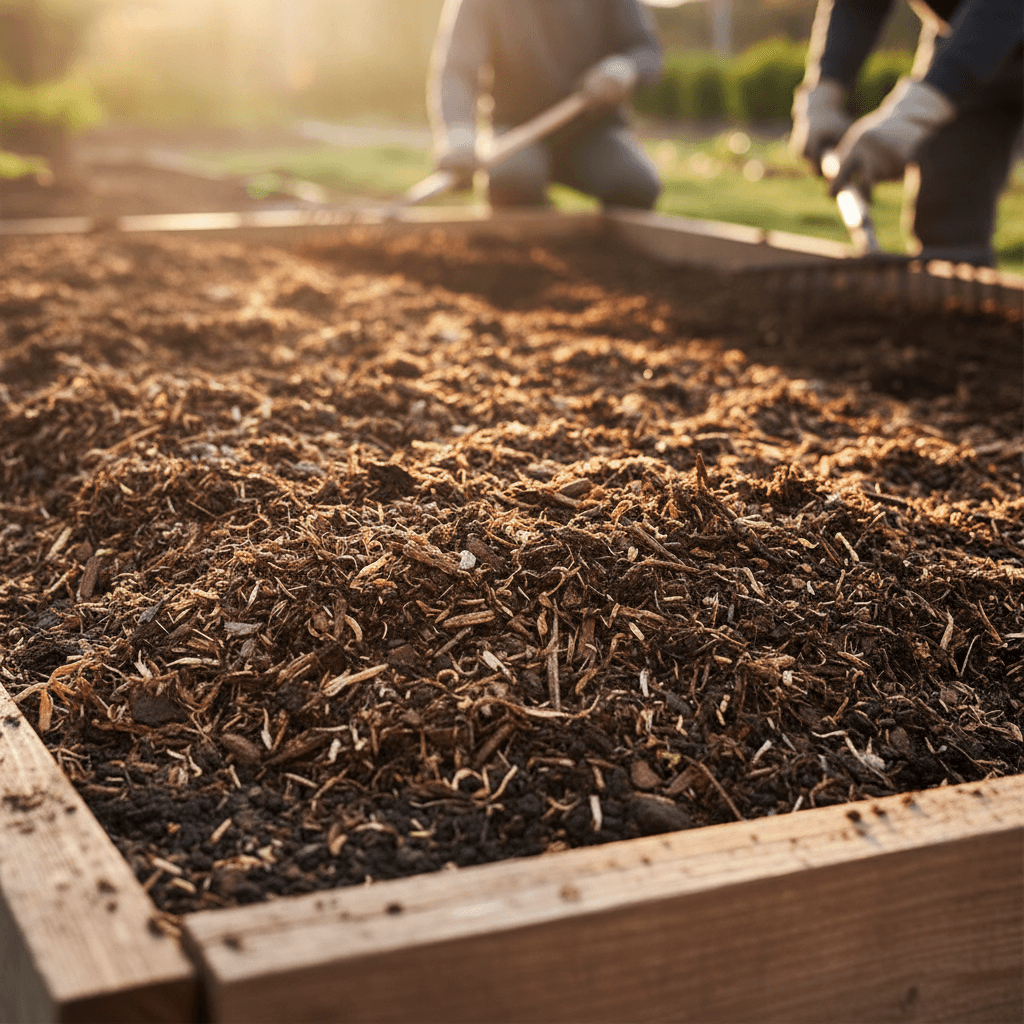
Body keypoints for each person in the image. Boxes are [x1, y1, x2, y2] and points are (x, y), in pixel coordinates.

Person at [791, 0, 1023, 265]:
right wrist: (825, 90)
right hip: (966, 40)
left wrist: (913, 115)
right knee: (948, 234)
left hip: (985, 28)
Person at [428, 0, 664, 210]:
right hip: (517, 131)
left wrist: (625, 67)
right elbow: (458, 70)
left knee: (635, 186)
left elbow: (646, 49)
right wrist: (458, 132)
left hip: (592, 132)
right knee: (512, 180)